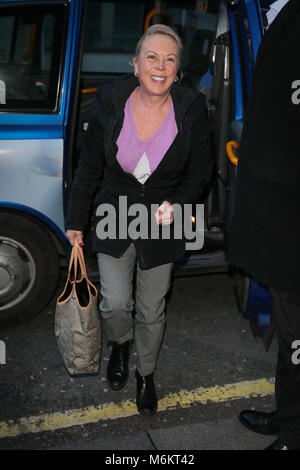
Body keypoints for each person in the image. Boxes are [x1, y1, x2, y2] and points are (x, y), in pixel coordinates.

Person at [66, 24, 213, 416]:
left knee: (152, 308)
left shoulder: (191, 107)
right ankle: (119, 344)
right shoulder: (110, 102)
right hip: (114, 213)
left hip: (164, 221)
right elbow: (90, 165)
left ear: (178, 69)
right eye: (152, 57)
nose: (160, 66)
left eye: (170, 59)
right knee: (115, 304)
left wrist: (177, 203)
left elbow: (202, 170)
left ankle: (145, 374)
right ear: (136, 65)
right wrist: (76, 220)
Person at [227, 0, 300, 450]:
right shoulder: (278, 10)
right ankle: (289, 414)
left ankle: (296, 433)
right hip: (277, 210)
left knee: (296, 329)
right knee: (287, 321)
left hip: (293, 213)